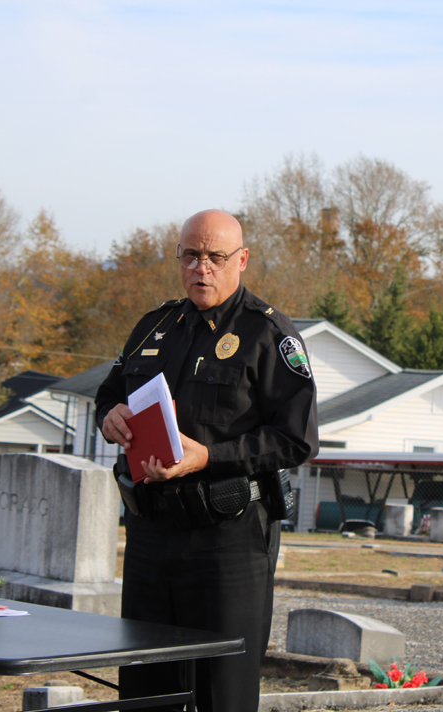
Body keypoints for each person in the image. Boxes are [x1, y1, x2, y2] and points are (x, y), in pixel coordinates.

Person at [94, 209, 319, 712]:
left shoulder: (268, 334)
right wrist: (110, 415)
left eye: (216, 257)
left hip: (227, 542)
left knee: (223, 694)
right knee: (144, 690)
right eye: (191, 255)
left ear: (241, 260)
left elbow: (297, 440)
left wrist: (210, 457)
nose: (203, 268)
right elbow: (108, 393)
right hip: (151, 537)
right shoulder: (154, 327)